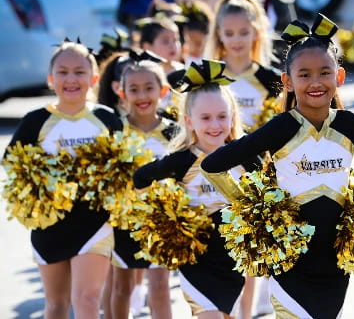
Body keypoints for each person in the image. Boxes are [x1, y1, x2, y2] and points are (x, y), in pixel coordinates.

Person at [200, 14, 354, 318]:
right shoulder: (280, 128)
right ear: (287, 82)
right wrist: (256, 211)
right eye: (304, 75)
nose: (316, 83)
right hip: (289, 259)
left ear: (339, 77)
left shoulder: (348, 124)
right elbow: (213, 165)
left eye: (324, 73)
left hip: (335, 260)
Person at [133, 60, 262, 318]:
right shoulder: (181, 160)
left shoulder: (245, 156)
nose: (215, 125)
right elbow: (141, 177)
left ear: (233, 117)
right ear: (189, 122)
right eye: (206, 118)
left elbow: (270, 192)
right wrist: (160, 216)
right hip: (196, 263)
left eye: (222, 116)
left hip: (235, 262)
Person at [4, 39, 122, 318]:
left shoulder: (107, 119)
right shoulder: (35, 121)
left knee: (88, 299)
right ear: (50, 78)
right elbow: (12, 163)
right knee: (56, 304)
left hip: (96, 222)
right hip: (50, 225)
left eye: (80, 72)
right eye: (63, 71)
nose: (71, 79)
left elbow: (126, 166)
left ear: (93, 79)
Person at [103, 52, 180, 319]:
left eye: (149, 88)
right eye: (133, 89)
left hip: (161, 222)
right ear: (121, 93)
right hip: (124, 223)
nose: (142, 95)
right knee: (122, 287)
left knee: (159, 287)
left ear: (163, 91)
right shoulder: (114, 130)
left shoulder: (175, 132)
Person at [205, 0, 282, 130]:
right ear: (218, 34)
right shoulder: (205, 77)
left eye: (244, 32)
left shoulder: (273, 80)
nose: (236, 40)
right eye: (229, 34)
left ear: (256, 32)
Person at [176, 1, 214, 67]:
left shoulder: (212, 61)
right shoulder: (177, 63)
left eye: (198, 43)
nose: (192, 48)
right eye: (187, 42)